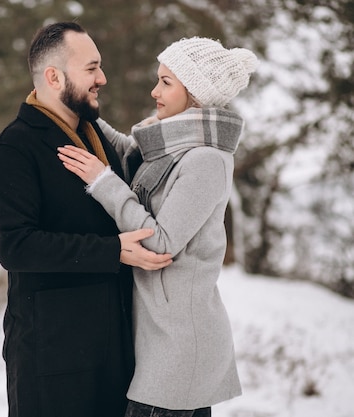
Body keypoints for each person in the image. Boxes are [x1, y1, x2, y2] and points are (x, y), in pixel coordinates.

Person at [58, 37, 259, 417]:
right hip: (159, 339)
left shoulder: (205, 161)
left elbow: (161, 242)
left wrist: (103, 183)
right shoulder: (171, 146)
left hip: (178, 347)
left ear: (195, 93)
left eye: (166, 82)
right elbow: (125, 148)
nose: (155, 90)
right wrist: (77, 108)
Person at [0, 22, 173, 417]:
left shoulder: (95, 137)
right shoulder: (14, 148)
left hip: (116, 353)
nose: (102, 78)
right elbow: (15, 246)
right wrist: (112, 251)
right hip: (53, 362)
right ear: (54, 77)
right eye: (91, 68)